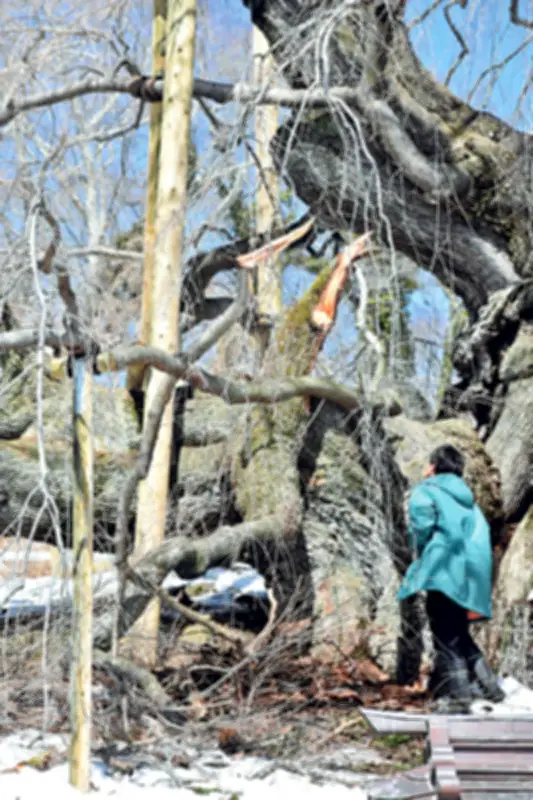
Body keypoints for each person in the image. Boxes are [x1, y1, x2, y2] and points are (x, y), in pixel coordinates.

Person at [397, 444, 505, 713]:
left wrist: (420, 555)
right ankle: (491, 690)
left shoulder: (427, 490)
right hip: (471, 578)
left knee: (445, 636)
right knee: (459, 633)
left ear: (433, 467)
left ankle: (460, 699)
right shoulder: (469, 501)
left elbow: (421, 529)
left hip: (443, 572)